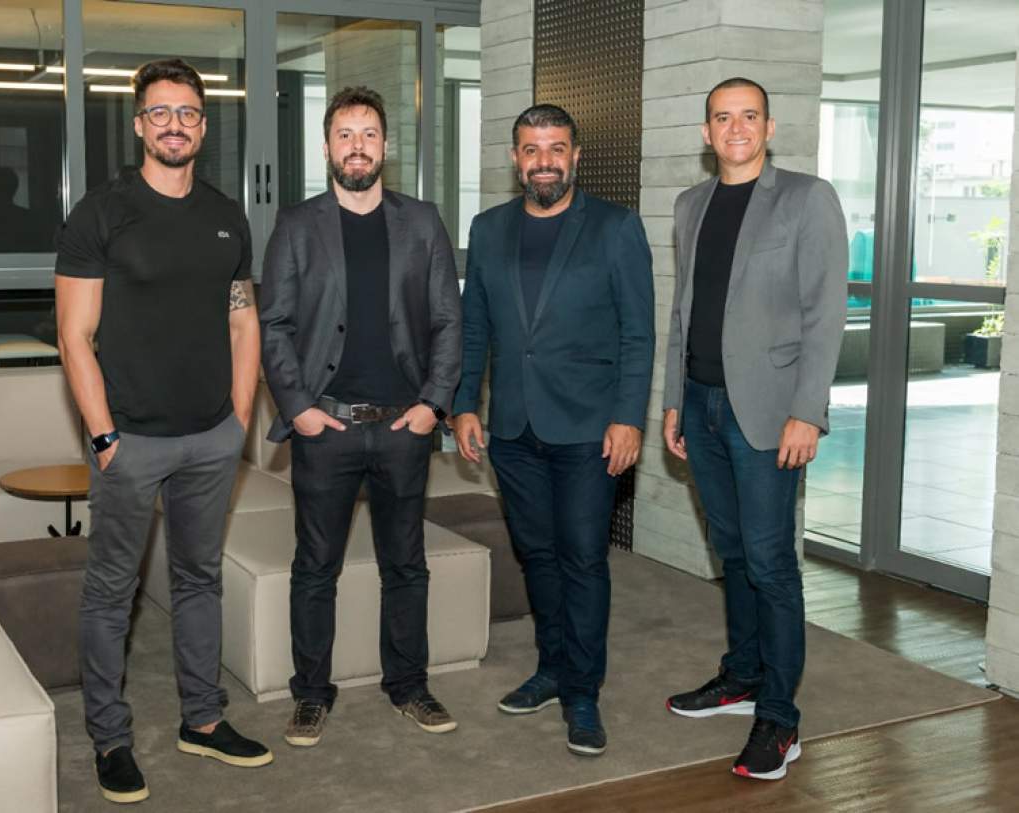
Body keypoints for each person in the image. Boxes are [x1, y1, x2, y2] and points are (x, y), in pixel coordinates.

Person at [55, 57, 270, 805]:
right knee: (111, 592)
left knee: (198, 579)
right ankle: (110, 738)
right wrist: (104, 436)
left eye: (187, 113)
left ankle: (202, 719)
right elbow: (74, 336)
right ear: (139, 124)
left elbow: (243, 319)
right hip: (131, 441)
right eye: (160, 112)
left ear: (203, 127)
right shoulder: (101, 213)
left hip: (211, 435)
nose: (174, 125)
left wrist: (239, 417)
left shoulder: (226, 215)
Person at [259, 85, 462, 749]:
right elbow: (275, 323)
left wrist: (434, 403)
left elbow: (447, 319)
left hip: (405, 427)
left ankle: (409, 684)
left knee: (406, 564)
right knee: (316, 566)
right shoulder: (297, 225)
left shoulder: (422, 221)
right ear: (327, 147)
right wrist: (299, 409)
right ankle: (311, 694)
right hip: (328, 428)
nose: (357, 145)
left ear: (386, 146)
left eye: (369, 133)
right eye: (345, 134)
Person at [451, 103, 655, 758]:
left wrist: (629, 418)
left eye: (557, 148)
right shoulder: (488, 229)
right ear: (516, 159)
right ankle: (551, 666)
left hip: (590, 428)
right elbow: (475, 326)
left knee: (582, 557)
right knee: (535, 553)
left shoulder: (616, 227)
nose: (545, 161)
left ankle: (583, 690)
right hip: (513, 426)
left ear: (575, 156)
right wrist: (464, 403)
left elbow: (638, 333)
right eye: (532, 149)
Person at [661, 77, 848, 781]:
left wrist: (808, 410)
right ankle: (741, 675)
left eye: (748, 116)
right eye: (722, 117)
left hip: (770, 412)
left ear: (769, 128)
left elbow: (825, 313)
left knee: (770, 563)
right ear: (706, 132)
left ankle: (779, 716)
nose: (735, 128)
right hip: (702, 405)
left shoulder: (807, 198)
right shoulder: (691, 204)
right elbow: (683, 312)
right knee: (733, 553)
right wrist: (674, 399)